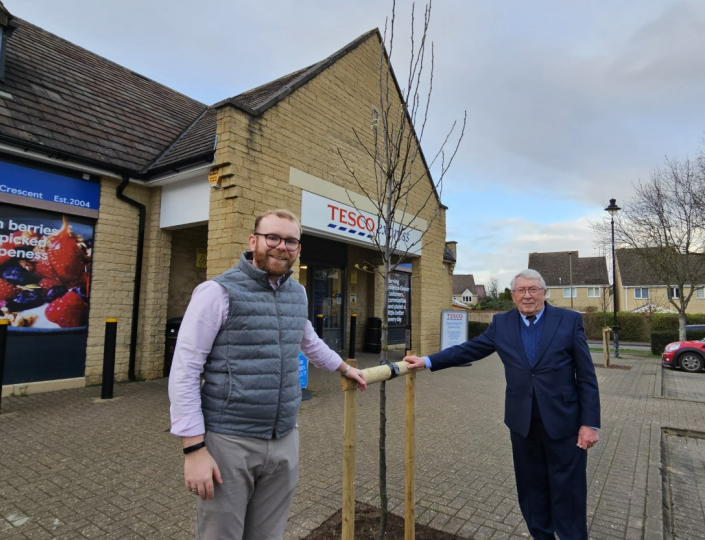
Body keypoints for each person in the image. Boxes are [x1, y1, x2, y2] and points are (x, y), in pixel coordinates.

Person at [168, 209, 367, 540]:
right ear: (253, 241)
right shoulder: (216, 292)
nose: (281, 247)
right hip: (229, 442)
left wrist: (344, 368)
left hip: (284, 438)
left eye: (290, 241)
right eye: (272, 237)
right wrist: (193, 450)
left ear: (298, 248)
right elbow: (185, 371)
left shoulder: (297, 294)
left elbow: (308, 340)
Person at [405, 268, 600, 540]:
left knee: (569, 490)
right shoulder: (502, 323)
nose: (528, 295)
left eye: (533, 289)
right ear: (513, 295)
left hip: (565, 422)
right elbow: (470, 349)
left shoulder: (568, 321)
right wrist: (428, 361)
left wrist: (589, 423)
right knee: (532, 490)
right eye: (522, 290)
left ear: (544, 292)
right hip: (523, 424)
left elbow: (587, 377)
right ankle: (541, 535)